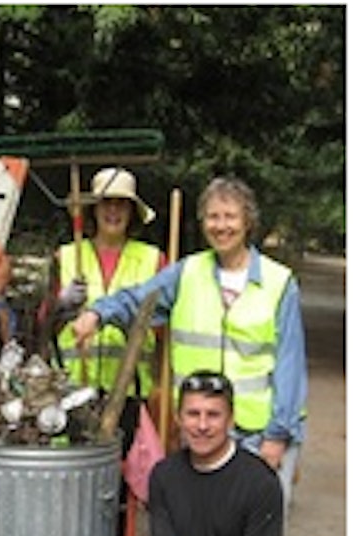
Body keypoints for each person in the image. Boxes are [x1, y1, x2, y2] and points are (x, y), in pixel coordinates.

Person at [72, 175, 307, 508]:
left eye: (230, 217)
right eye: (213, 216)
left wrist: (278, 436)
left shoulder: (278, 282)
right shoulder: (187, 273)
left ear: (248, 222)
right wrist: (98, 313)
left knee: (256, 535)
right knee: (204, 532)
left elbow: (290, 364)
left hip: (257, 433)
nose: (221, 226)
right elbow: (138, 299)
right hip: (202, 429)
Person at [106, 370, 283, 536]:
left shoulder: (261, 483)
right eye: (192, 414)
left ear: (231, 420)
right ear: (178, 418)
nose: (202, 426)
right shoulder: (165, 475)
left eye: (213, 415)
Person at [48, 167, 166, 400]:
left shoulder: (153, 259)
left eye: (121, 203)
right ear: (94, 209)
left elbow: (163, 334)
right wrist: (58, 306)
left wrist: (160, 388)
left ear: (132, 211)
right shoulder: (66, 256)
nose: (113, 210)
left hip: (131, 390)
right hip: (70, 389)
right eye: (106, 203)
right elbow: (42, 327)